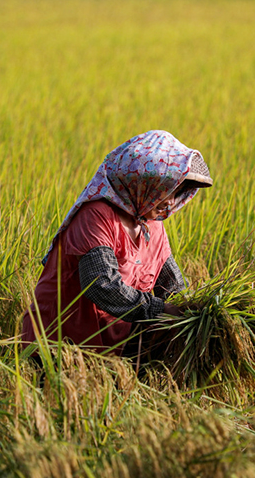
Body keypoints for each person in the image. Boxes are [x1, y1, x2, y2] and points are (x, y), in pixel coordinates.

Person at [21, 130, 213, 355]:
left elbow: (172, 287)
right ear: (142, 181)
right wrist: (161, 310)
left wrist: (197, 313)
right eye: (165, 188)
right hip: (59, 345)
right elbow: (101, 285)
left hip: (111, 347)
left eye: (176, 191)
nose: (170, 201)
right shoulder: (96, 215)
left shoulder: (153, 226)